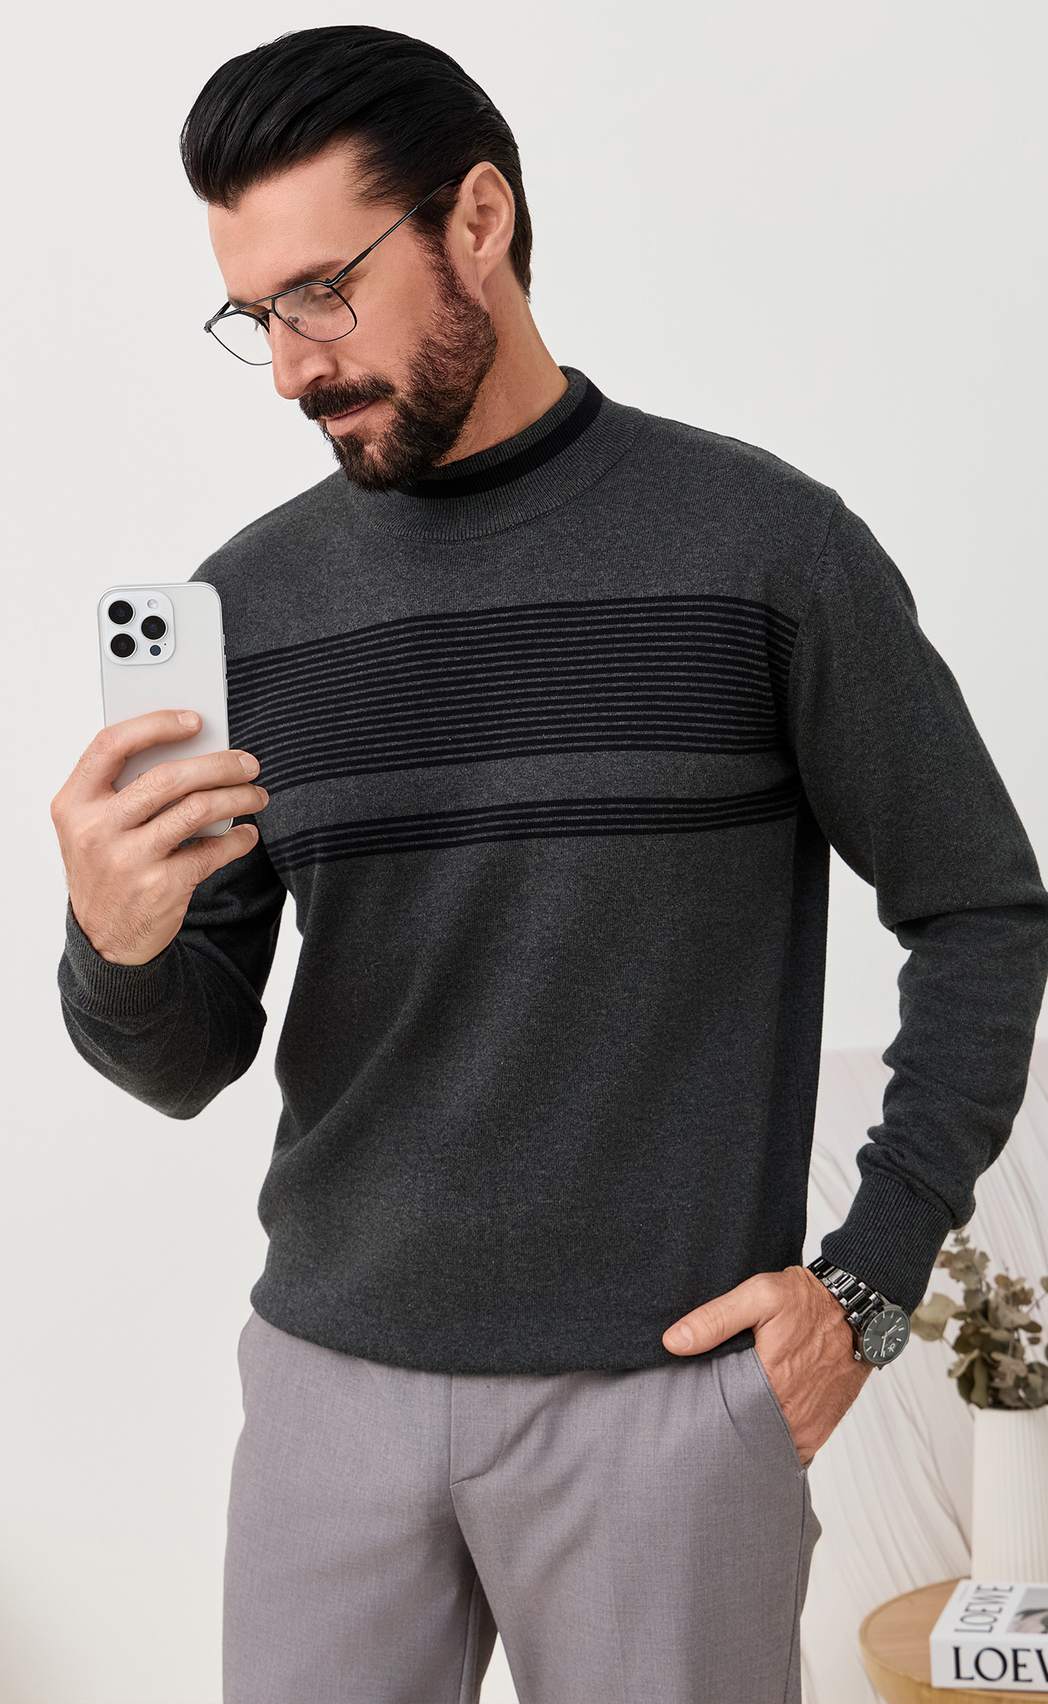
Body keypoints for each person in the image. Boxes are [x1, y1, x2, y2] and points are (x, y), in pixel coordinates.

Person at [51, 24, 1048, 1704]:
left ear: (481, 219)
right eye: (255, 316)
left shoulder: (765, 549)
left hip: (668, 1405)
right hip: (324, 1398)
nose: (291, 368)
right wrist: (115, 943)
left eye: (323, 294)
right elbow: (186, 1061)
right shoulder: (253, 609)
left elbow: (982, 912)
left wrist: (867, 1289)